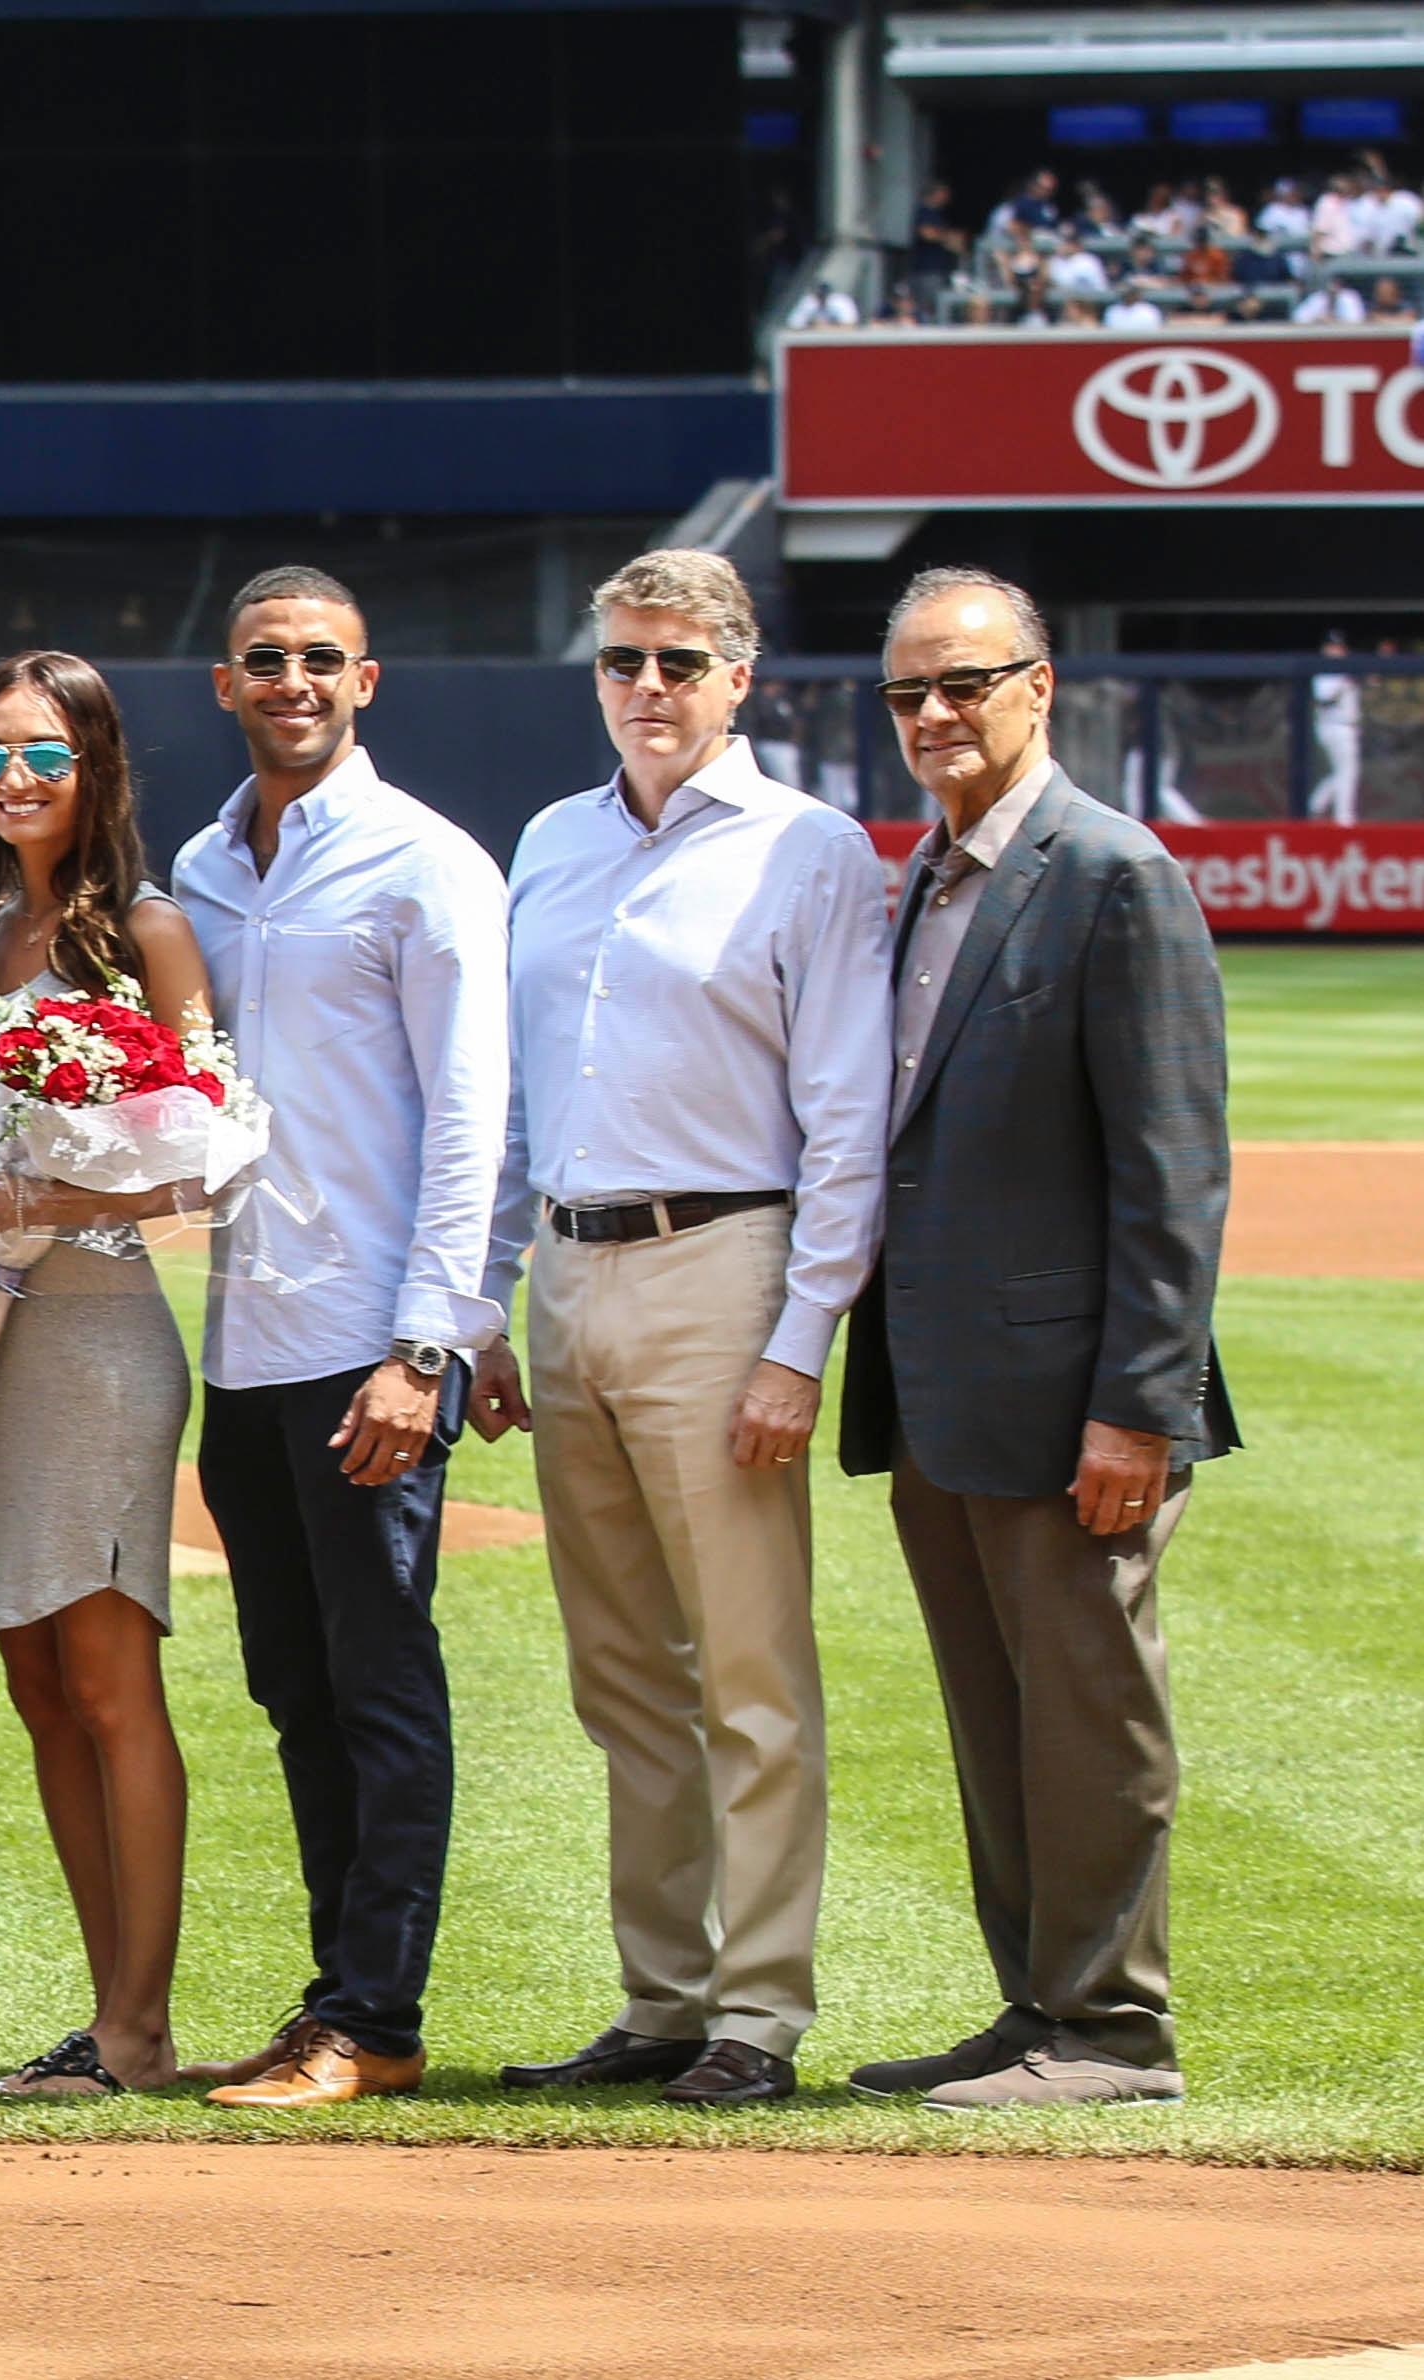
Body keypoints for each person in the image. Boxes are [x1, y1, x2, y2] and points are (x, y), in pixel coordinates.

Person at [473, 548, 891, 2109]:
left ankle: (759, 2014)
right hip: (572, 1274)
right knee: (621, 1676)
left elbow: (846, 1115)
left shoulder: (809, 849)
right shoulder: (552, 843)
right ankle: (662, 1998)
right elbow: (516, 1104)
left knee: (750, 1668)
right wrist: (485, 1301)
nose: (647, 691)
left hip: (725, 1263)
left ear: (740, 674)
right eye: (623, 663)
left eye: (677, 664)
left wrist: (800, 1343)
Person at [839, 568, 1240, 2110]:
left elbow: (1173, 1171)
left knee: (1087, 1713)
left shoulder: (1111, 872)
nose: (935, 715)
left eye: (964, 684)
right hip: (943, 1390)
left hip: (1077, 1395)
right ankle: (1035, 2009)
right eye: (908, 694)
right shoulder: (927, 880)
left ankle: (1114, 2029)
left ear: (1038, 687)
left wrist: (1142, 1406)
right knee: (997, 1716)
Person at [168, 566, 512, 2111]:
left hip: (370, 1345)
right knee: (294, 1688)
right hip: (245, 1344)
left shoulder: (425, 862)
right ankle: (336, 2005)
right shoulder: (203, 864)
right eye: (265, 660)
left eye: (321, 659)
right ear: (225, 685)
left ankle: (378, 2014)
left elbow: (473, 1119)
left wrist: (427, 1346)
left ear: (365, 681)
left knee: (379, 1683)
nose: (293, 680)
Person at [0, 651, 210, 2098]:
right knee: (35, 1679)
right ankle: (108, 2018)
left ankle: (141, 2026)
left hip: (95, 1333)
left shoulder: (145, 934)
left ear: (96, 767)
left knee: (106, 1677)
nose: (16, 780)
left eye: (44, 754)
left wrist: (72, 1204)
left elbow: (207, 1155)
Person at [1313, 630, 1365, 825]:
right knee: (1348, 772)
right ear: (1325, 649)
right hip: (1334, 726)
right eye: (1332, 647)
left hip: (1348, 726)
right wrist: (1344, 682)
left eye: (1340, 647)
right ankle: (1344, 818)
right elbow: (1324, 698)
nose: (1337, 650)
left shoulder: (1345, 669)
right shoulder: (1325, 671)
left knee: (1344, 771)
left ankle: (1317, 803)